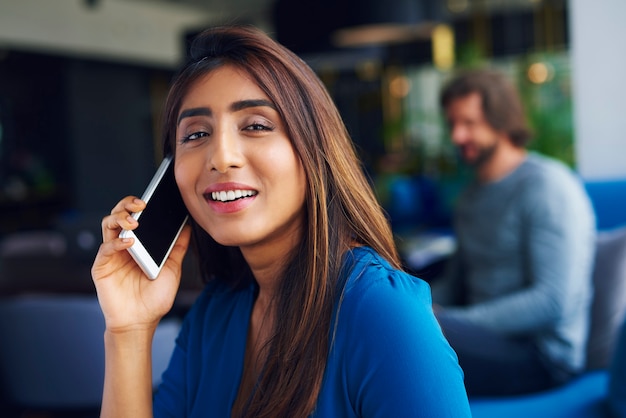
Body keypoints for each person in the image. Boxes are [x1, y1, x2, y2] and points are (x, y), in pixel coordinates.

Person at [91, 25, 471, 417]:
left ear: (313, 148)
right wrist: (128, 330)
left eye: (255, 126)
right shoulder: (216, 314)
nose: (221, 157)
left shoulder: (379, 312)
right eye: (196, 134)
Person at [432, 68, 596, 396]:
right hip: (479, 339)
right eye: (452, 124)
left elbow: (552, 301)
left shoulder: (548, 186)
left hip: (542, 356)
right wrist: (408, 304)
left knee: (413, 332)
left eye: (469, 124)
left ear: (501, 120)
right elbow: (454, 283)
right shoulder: (469, 199)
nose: (456, 137)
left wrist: (452, 322)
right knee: (395, 318)